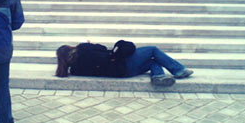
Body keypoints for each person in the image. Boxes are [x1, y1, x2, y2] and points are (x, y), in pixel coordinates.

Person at [56, 40, 193, 86]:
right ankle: (178, 70)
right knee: (152, 50)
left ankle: (158, 76)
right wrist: (89, 43)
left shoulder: (74, 70)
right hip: (123, 64)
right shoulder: (82, 48)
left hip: (123, 73)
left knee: (152, 62)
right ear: (69, 48)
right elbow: (103, 49)